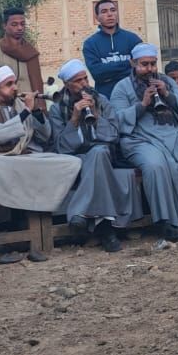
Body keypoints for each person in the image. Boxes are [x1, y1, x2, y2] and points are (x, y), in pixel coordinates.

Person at [110, 43, 178, 240]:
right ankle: (167, 223)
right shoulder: (121, 87)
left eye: (153, 64)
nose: (150, 69)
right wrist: (142, 104)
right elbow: (117, 120)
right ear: (133, 63)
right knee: (156, 166)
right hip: (141, 139)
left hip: (175, 134)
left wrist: (167, 94)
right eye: (144, 64)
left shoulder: (166, 80)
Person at [47, 59, 142, 252]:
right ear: (66, 84)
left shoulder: (102, 101)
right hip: (76, 160)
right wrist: (74, 118)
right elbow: (60, 148)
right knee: (96, 158)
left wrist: (97, 116)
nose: (84, 84)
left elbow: (114, 135)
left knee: (99, 152)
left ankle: (80, 214)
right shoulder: (57, 109)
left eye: (85, 79)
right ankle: (107, 230)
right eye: (78, 81)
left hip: (105, 155)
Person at [0, 65, 84, 227]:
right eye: (9, 84)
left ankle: (56, 213)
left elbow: (45, 137)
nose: (15, 88)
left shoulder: (20, 105)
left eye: (15, 83)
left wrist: (37, 112)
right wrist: (25, 112)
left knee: (72, 162)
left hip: (27, 157)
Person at [82, 0, 142, 100]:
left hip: (134, 96)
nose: (110, 14)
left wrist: (108, 73)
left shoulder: (133, 39)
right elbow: (97, 74)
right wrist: (127, 64)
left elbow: (141, 69)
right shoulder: (90, 44)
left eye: (113, 10)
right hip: (106, 99)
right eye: (104, 11)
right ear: (97, 17)